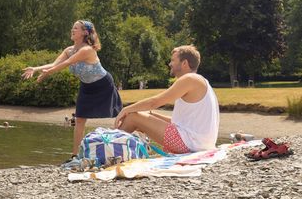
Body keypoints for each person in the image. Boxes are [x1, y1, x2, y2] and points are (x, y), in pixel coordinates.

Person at [22, 20, 122, 165]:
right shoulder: (69, 50)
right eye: (72, 27)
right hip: (87, 87)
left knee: (117, 114)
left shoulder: (87, 50)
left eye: (76, 28)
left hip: (103, 85)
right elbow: (55, 64)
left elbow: (67, 63)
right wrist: (35, 69)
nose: (72, 30)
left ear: (85, 32)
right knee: (80, 119)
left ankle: (131, 139)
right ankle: (75, 156)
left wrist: (48, 73)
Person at [115, 45, 219, 153]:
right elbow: (179, 122)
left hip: (190, 144)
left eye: (173, 60)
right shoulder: (201, 81)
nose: (170, 64)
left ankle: (108, 148)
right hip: (199, 143)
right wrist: (150, 114)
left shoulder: (189, 79)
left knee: (133, 117)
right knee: (139, 114)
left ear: (184, 63)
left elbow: (154, 102)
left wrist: (125, 110)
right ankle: (121, 150)